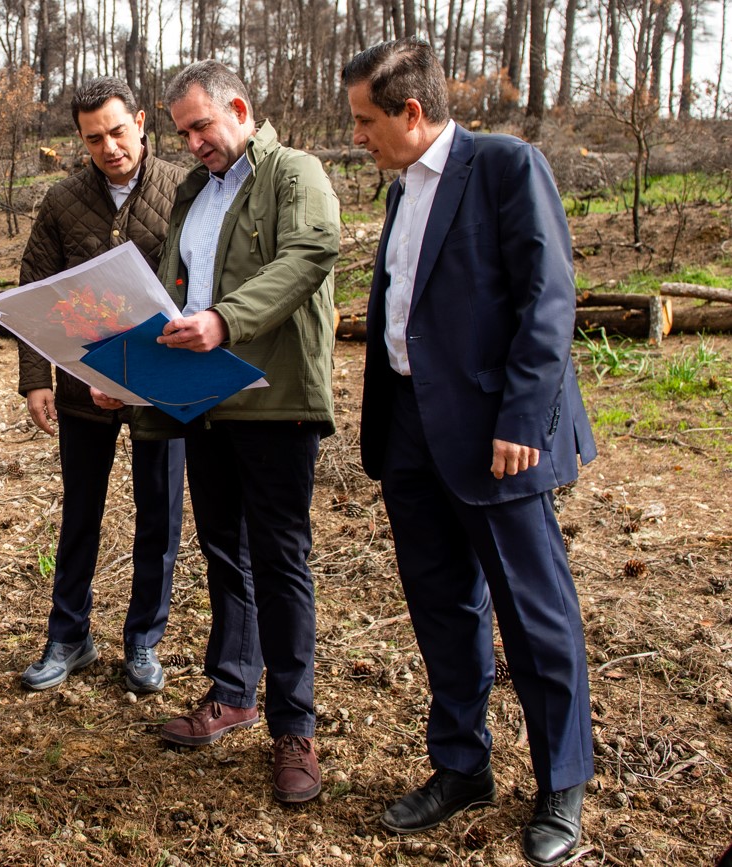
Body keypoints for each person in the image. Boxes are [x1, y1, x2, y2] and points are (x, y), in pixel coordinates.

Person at [343, 39, 596, 867]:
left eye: (367, 121)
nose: (360, 137)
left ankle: (561, 780)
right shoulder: (399, 190)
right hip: (413, 427)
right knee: (443, 604)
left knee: (533, 610)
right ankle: (461, 764)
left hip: (497, 436)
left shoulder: (505, 167)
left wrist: (522, 420)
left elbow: (548, 299)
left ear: (412, 113)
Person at [110, 59, 339, 804]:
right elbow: (176, 296)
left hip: (272, 399)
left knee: (278, 557)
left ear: (239, 109)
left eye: (202, 125)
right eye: (182, 131)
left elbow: (308, 257)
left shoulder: (293, 174)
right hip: (201, 402)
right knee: (223, 552)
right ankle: (233, 689)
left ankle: (293, 726)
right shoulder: (194, 191)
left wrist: (224, 320)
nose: (194, 142)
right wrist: (124, 369)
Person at [16, 78, 188, 695]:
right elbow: (35, 283)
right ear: (80, 141)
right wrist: (37, 379)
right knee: (80, 511)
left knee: (158, 515)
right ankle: (69, 636)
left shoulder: (184, 187)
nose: (109, 147)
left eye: (118, 131)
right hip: (83, 382)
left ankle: (143, 640)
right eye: (94, 138)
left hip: (158, 381)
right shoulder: (63, 201)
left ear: (140, 122)